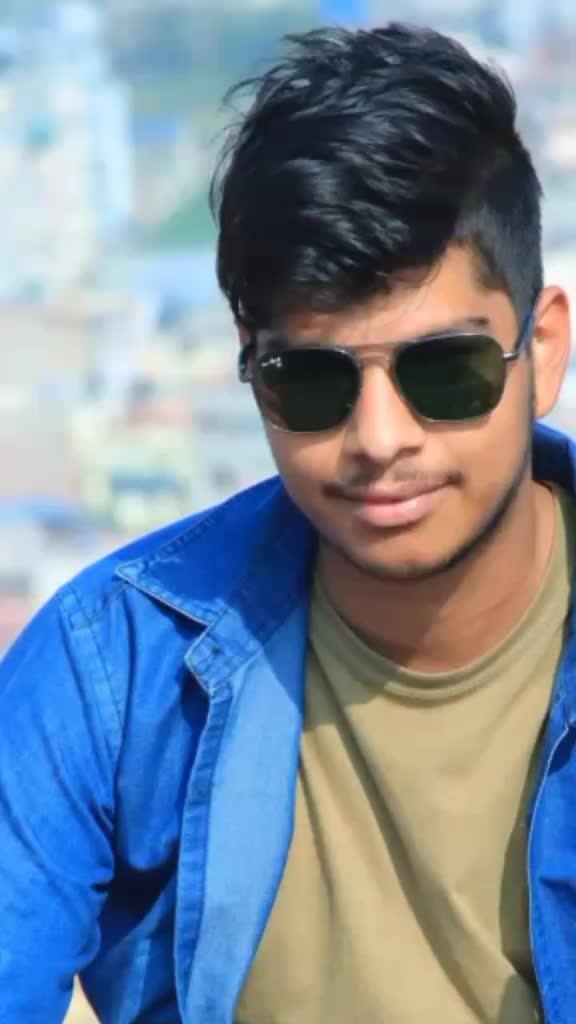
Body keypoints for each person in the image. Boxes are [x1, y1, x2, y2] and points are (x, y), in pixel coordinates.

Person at [0, 21, 573, 1024]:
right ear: (249, 363)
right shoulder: (114, 668)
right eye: (311, 380)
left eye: (446, 371)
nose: (379, 439)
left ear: (546, 347)